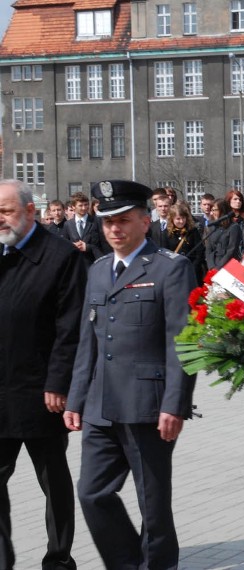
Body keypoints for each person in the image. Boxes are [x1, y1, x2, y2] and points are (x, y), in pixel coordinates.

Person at [63, 179, 197, 570]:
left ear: (144, 220)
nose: (114, 229)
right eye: (107, 223)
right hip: (100, 405)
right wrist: (76, 398)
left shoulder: (171, 268)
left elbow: (182, 343)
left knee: (152, 507)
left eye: (122, 220)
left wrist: (176, 404)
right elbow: (87, 341)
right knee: (91, 494)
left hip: (148, 407)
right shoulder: (100, 270)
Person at [0, 180, 87, 570]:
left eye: (6, 211)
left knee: (52, 480)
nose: (0, 219)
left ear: (31, 212)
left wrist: (58, 383)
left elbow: (70, 327)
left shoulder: (60, 256)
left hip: (41, 392)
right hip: (1, 390)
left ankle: (58, 558)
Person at [62, 191, 110, 264]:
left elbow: (104, 244)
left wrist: (88, 247)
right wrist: (73, 246)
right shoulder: (68, 225)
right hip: (76, 264)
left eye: (86, 205)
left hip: (93, 262)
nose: (84, 208)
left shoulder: (96, 221)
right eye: (80, 205)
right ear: (73, 207)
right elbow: (64, 246)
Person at [165, 201, 205, 285]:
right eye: (178, 219)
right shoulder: (168, 233)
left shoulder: (193, 231)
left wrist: (192, 268)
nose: (181, 221)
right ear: (172, 219)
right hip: (175, 271)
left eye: (183, 218)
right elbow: (165, 252)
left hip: (192, 270)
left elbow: (199, 252)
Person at [205, 199, 242, 270]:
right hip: (213, 265)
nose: (213, 213)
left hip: (227, 267)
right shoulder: (212, 227)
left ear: (223, 211)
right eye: (212, 210)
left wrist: (218, 267)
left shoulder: (233, 227)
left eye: (215, 210)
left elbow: (231, 250)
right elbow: (209, 249)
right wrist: (211, 266)